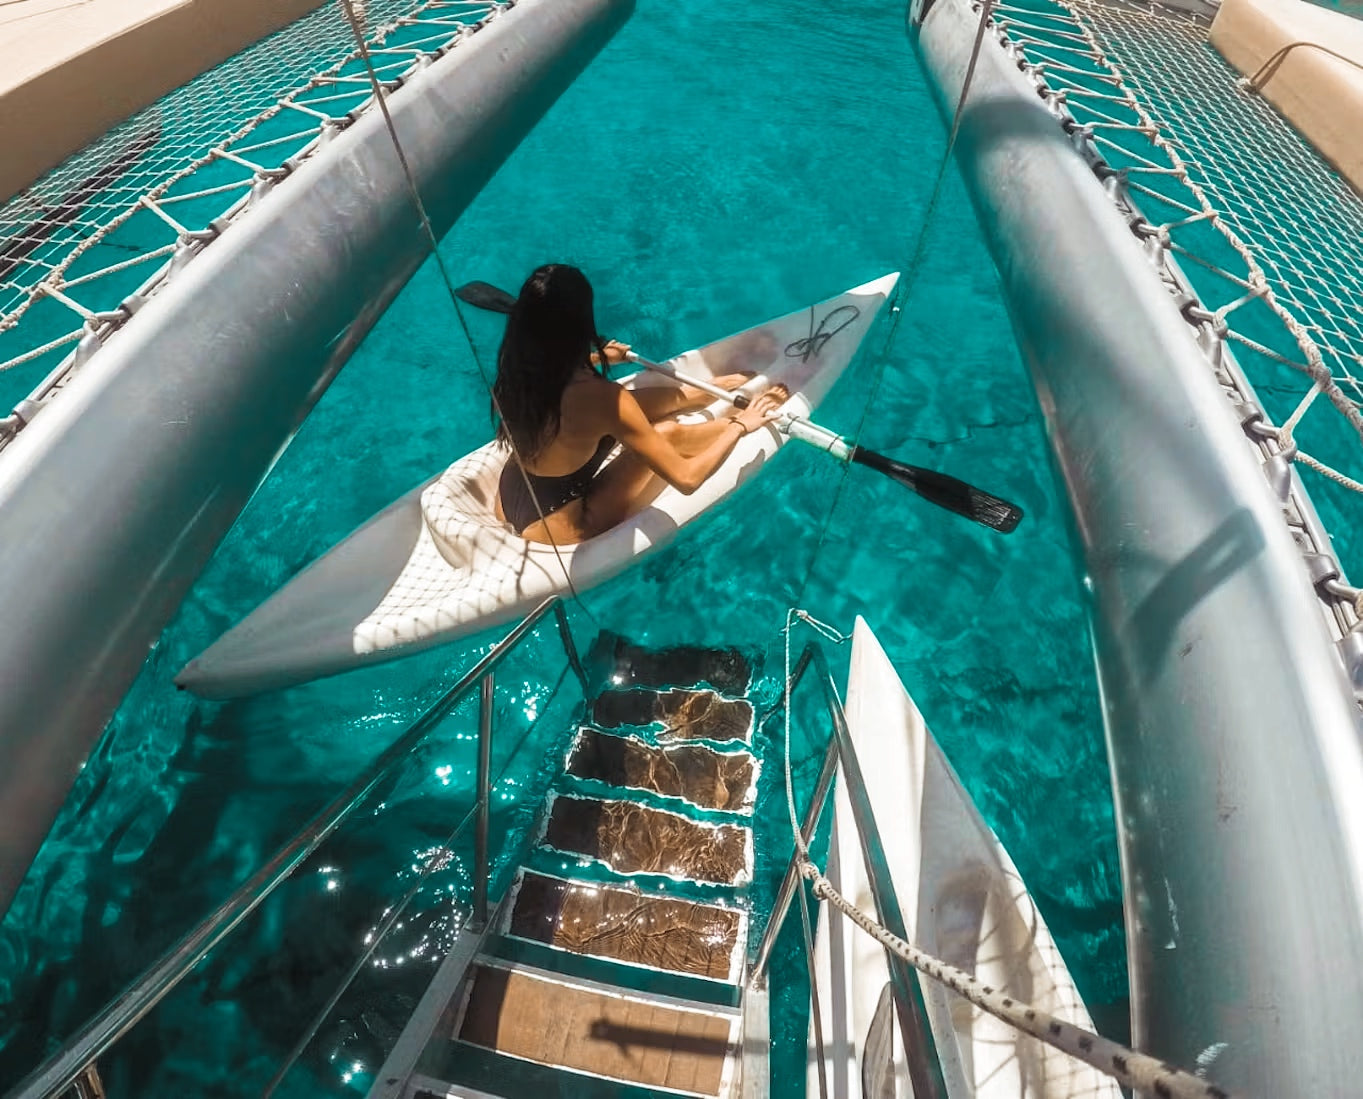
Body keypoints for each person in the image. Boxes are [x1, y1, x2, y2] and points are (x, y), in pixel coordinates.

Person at [492, 264, 788, 544]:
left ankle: (704, 392)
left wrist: (600, 357)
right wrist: (739, 427)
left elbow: (556, 373)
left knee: (632, 404)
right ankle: (734, 418)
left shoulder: (515, 365)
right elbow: (687, 480)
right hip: (559, 524)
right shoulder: (601, 397)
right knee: (665, 433)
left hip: (510, 494)